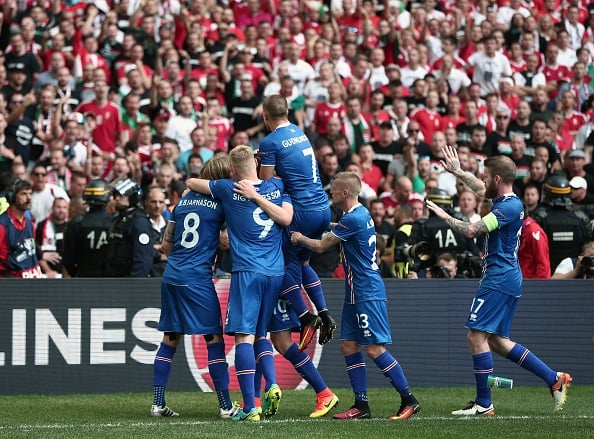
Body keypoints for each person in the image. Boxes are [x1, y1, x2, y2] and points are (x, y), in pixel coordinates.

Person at [426, 145, 572, 416]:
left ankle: (484, 403)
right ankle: (554, 379)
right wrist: (458, 172)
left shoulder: (508, 207)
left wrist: (445, 216)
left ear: (496, 178)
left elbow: (471, 230)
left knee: (475, 336)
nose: (481, 180)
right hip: (506, 277)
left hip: (499, 278)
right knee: (496, 341)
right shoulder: (507, 201)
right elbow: (481, 190)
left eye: (485, 175)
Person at [291, 172, 420, 421]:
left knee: (374, 348)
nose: (331, 192)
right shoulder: (357, 215)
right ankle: (361, 405)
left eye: (334, 189)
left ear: (345, 193)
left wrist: (298, 237)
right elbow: (338, 229)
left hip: (367, 292)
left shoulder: (354, 219)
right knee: (348, 344)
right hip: (355, 292)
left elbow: (319, 246)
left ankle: (409, 399)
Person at [187, 145, 293, 422]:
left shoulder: (227, 188)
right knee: (261, 335)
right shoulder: (277, 186)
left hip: (248, 272)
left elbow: (191, 182)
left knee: (243, 337)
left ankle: (249, 407)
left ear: (233, 170)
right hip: (275, 272)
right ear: (256, 163)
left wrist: (243, 189)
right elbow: (286, 218)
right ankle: (270, 383)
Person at [151, 157, 238, 419]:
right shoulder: (221, 203)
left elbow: (166, 246)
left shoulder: (181, 202)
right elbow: (225, 242)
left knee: (169, 339)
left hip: (172, 276)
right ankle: (225, 406)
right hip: (197, 279)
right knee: (214, 340)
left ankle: (157, 403)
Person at [258, 94, 336, 352]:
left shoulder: (270, 141)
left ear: (265, 116)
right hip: (322, 208)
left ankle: (305, 317)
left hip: (301, 210)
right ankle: (323, 312)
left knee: (275, 263)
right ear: (288, 112)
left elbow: (266, 183)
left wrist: (260, 164)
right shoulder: (299, 132)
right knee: (303, 262)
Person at [62, 179, 113, 278]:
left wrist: (76, 273)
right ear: (107, 197)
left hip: (83, 277)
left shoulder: (76, 223)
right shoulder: (115, 222)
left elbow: (68, 259)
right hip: (109, 279)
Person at [105, 178, 153, 277]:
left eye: (121, 195)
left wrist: (135, 286)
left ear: (132, 196)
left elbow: (143, 260)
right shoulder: (117, 220)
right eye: (115, 195)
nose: (117, 199)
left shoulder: (139, 222)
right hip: (113, 279)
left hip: (129, 281)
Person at [0, 179, 43, 278]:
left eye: (30, 194)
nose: (28, 198)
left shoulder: (29, 223)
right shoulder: (2, 225)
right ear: (12, 197)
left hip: (31, 279)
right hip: (11, 283)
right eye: (23, 194)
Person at [35, 197, 69, 278]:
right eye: (58, 207)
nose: (61, 210)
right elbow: (36, 251)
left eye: (64, 207)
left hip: (65, 273)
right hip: (45, 273)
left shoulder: (71, 226)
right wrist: (48, 271)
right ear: (52, 208)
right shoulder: (42, 225)